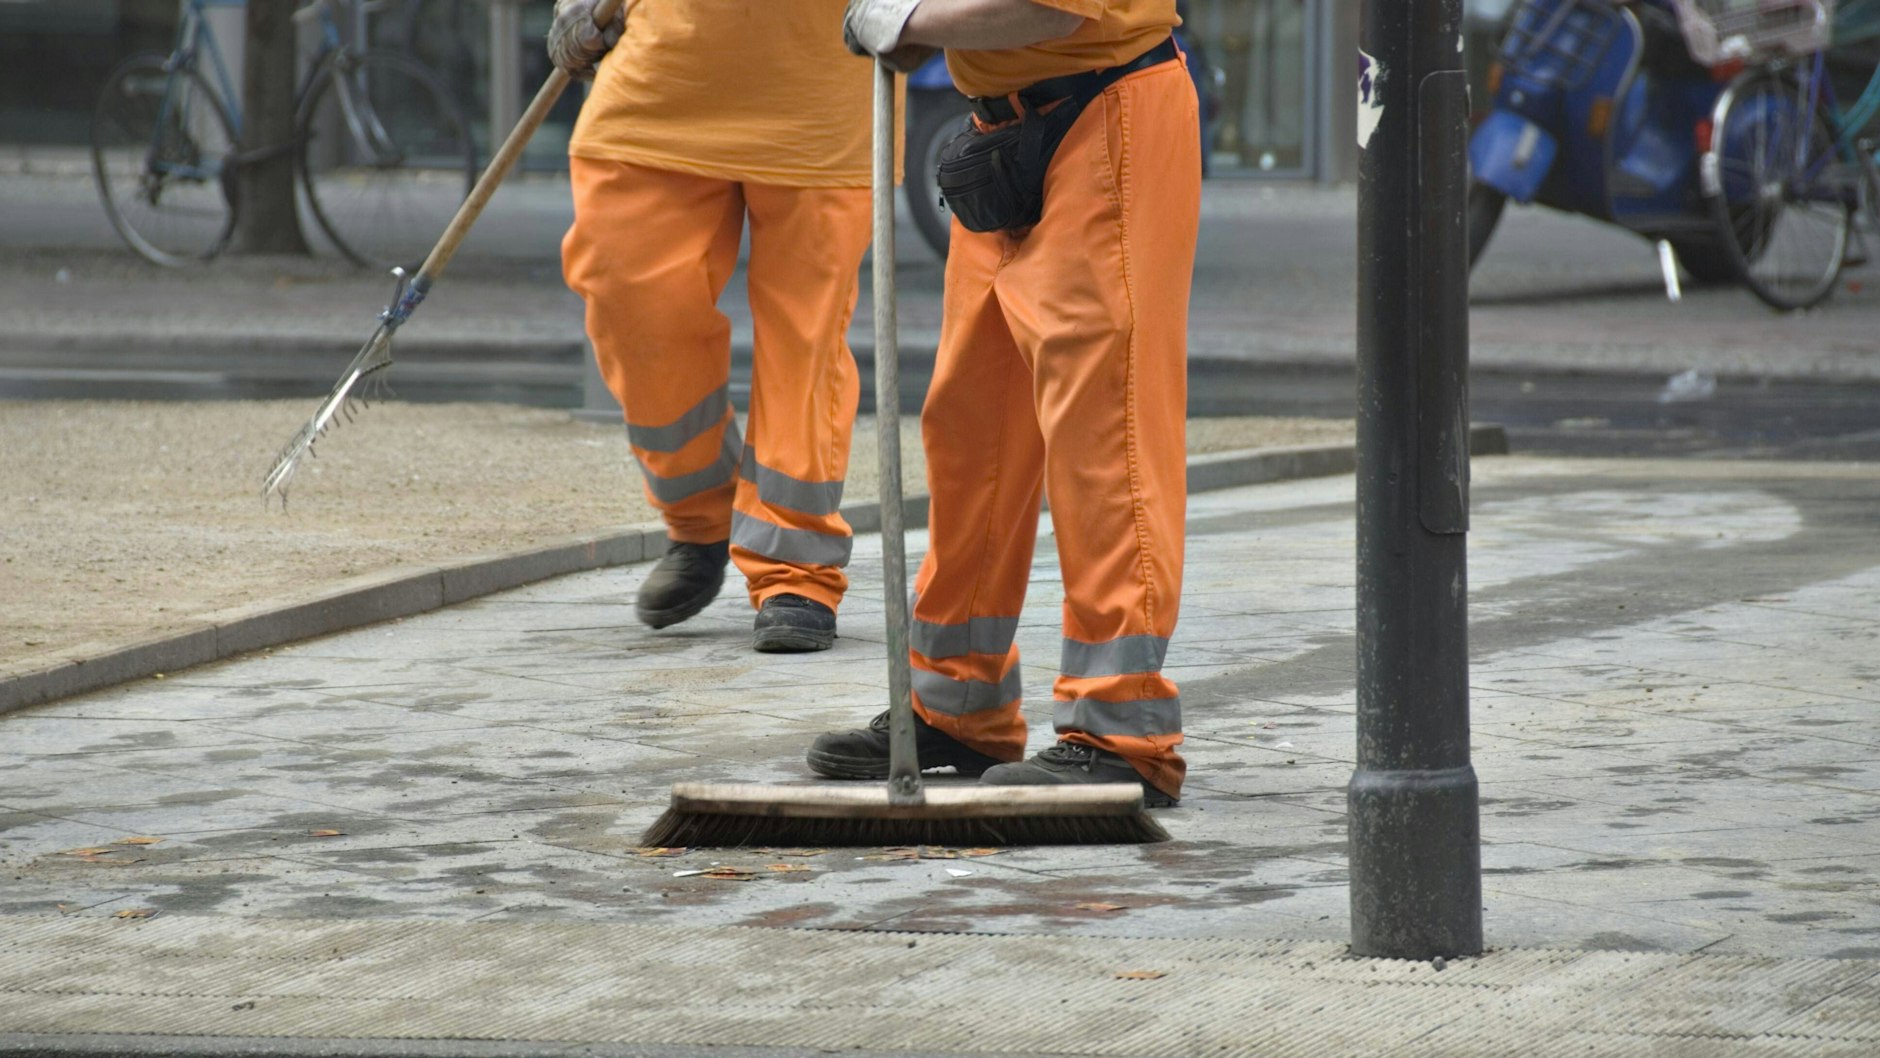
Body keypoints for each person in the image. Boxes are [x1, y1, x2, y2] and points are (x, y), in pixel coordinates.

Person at [810, 0, 1201, 805]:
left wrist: (912, 19)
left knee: (1105, 429)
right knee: (972, 428)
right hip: (1007, 126)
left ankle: (1121, 730)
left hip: (1105, 105)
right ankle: (958, 704)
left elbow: (1046, 9)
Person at [549, 0, 885, 653]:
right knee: (625, 290)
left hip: (824, 77)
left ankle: (796, 568)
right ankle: (699, 515)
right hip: (667, 69)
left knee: (805, 336)